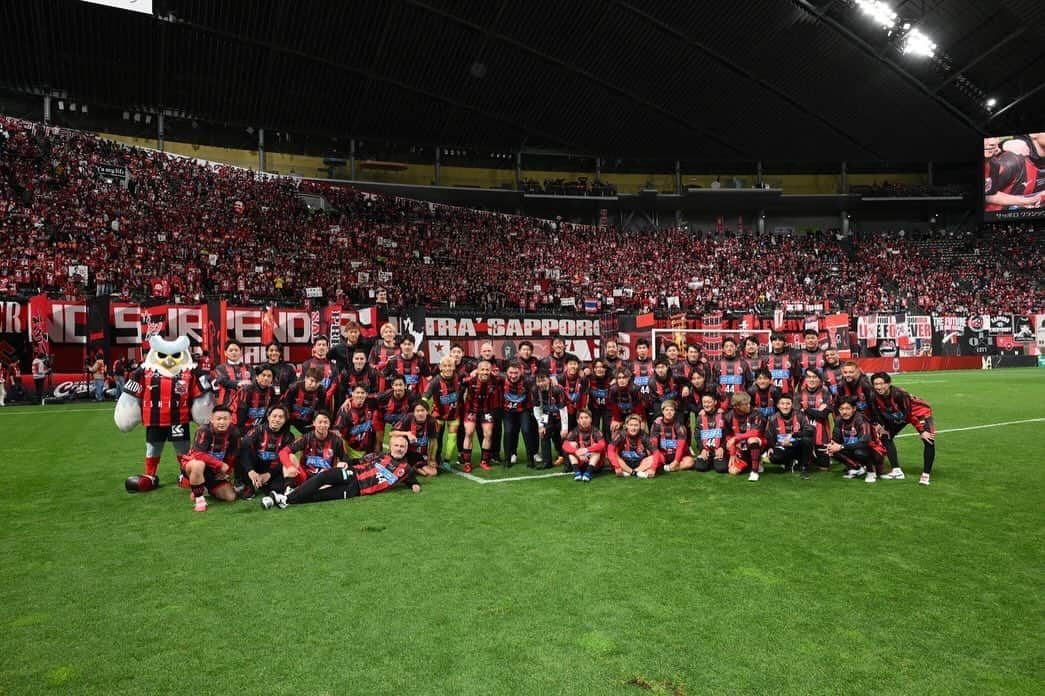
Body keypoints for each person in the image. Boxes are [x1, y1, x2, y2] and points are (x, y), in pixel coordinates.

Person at [263, 434, 420, 508]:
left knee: (320, 496)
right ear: (391, 446)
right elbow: (358, 460)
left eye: (402, 447)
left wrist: (414, 485)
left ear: (406, 450)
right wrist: (345, 463)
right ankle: (286, 499)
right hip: (352, 473)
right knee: (322, 477)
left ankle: (284, 499)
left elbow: (412, 480)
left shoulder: (406, 469)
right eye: (397, 446)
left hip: (357, 490)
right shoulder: (379, 456)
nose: (399, 449)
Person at [869, 372, 935, 485]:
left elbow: (909, 415)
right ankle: (896, 470)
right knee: (885, 436)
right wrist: (882, 427)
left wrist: (922, 431)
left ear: (888, 384)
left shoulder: (899, 394)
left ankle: (926, 474)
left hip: (919, 413)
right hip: (900, 415)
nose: (879, 387)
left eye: (881, 384)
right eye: (876, 384)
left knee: (928, 439)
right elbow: (877, 413)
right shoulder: (873, 395)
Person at [177, 405, 240, 511]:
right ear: (212, 419)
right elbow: (198, 454)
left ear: (230, 420)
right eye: (218, 419)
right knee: (199, 464)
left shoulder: (234, 432)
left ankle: (202, 487)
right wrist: (221, 465)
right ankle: (199, 498)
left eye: (225, 419)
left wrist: (226, 471)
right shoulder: (204, 429)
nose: (222, 422)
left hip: (214, 471)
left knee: (230, 497)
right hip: (193, 464)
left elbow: (232, 455)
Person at [272, 410, 350, 494]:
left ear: (329, 424)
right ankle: (288, 489)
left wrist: (344, 464)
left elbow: (346, 460)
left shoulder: (337, 441)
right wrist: (290, 466)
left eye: (325, 422)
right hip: (305, 478)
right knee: (290, 457)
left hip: (325, 479)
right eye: (320, 422)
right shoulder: (306, 438)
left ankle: (307, 490)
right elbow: (283, 452)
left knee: (340, 466)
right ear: (314, 423)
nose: (323, 425)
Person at [237, 404, 295, 500]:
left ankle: (264, 484)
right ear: (268, 417)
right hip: (255, 465)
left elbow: (284, 460)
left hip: (273, 468)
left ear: (285, 420)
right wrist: (250, 471)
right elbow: (243, 448)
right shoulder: (257, 430)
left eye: (281, 417)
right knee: (243, 448)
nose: (276, 420)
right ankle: (248, 484)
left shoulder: (289, 437)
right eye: (274, 416)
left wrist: (269, 474)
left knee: (277, 489)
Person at [827, 397, 886, 483]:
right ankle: (857, 468)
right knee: (832, 450)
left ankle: (871, 471)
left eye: (848, 409)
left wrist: (841, 447)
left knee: (860, 452)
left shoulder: (861, 419)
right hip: (854, 448)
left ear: (854, 409)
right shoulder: (839, 420)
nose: (844, 412)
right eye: (841, 409)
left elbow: (865, 442)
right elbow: (836, 438)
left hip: (874, 451)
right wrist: (832, 445)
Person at [460, 359, 502, 471]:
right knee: (469, 433)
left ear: (491, 371)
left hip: (487, 411)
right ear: (477, 370)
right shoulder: (470, 380)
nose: (484, 372)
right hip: (471, 410)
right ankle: (467, 463)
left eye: (487, 370)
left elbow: (507, 378)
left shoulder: (496, 380)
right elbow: (458, 381)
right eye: (482, 370)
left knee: (488, 434)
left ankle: (484, 461)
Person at [424, 355, 464, 468]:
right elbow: (425, 396)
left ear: (454, 367)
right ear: (440, 367)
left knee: (452, 437)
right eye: (445, 366)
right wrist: (423, 409)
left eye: (450, 366)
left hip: (454, 414)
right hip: (438, 414)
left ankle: (446, 461)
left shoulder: (459, 377)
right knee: (436, 437)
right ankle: (434, 459)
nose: (447, 368)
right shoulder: (435, 381)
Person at [763, 394, 814, 479]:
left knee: (807, 440)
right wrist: (770, 447)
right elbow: (769, 435)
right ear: (778, 405)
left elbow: (809, 431)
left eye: (788, 403)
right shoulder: (772, 419)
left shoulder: (800, 416)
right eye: (782, 404)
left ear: (792, 404)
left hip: (798, 446)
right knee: (774, 457)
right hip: (783, 447)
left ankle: (804, 468)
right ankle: (789, 462)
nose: (785, 406)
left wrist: (793, 435)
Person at [501, 360, 537, 468]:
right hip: (507, 411)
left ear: (520, 372)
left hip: (523, 411)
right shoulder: (501, 379)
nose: (513, 376)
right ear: (506, 372)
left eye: (516, 373)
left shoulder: (528, 381)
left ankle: (530, 460)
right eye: (510, 373)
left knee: (526, 431)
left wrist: (553, 379)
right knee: (508, 432)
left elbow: (542, 379)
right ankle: (507, 459)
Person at [531, 369, 569, 470]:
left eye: (543, 380)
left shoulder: (557, 389)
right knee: (543, 434)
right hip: (546, 415)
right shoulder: (535, 390)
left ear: (549, 380)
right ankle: (547, 462)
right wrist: (541, 425)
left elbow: (563, 409)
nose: (540, 383)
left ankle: (568, 462)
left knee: (563, 437)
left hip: (560, 415)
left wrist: (564, 428)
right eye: (538, 381)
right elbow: (537, 408)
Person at [723, 392, 766, 482]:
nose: (749, 406)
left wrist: (736, 438)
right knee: (732, 471)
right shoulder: (727, 416)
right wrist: (732, 453)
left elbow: (756, 432)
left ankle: (754, 472)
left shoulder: (756, 413)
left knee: (752, 440)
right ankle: (754, 461)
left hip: (758, 443)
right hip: (741, 448)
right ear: (736, 406)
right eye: (745, 404)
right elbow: (728, 437)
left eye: (749, 403)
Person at [392, 400, 439, 477]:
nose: (420, 413)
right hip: (405, 451)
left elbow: (433, 442)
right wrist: (407, 433)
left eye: (422, 410)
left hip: (419, 455)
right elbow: (392, 433)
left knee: (433, 472)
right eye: (417, 411)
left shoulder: (432, 422)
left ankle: (410, 467)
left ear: (427, 412)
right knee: (395, 438)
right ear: (414, 412)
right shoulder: (408, 418)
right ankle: (395, 458)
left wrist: (431, 459)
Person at [333, 385, 382, 459]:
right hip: (352, 451)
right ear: (352, 393)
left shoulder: (372, 404)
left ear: (366, 394)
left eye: (362, 393)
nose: (360, 395)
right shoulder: (345, 410)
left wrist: (377, 445)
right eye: (357, 392)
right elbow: (339, 435)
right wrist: (345, 455)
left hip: (369, 449)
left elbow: (377, 426)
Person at [561, 409, 607, 482]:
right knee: (572, 445)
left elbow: (602, 444)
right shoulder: (574, 431)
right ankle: (577, 472)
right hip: (580, 460)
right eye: (581, 418)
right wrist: (576, 452)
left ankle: (588, 473)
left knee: (597, 447)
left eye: (586, 417)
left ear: (591, 419)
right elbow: (565, 445)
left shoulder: (596, 431)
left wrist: (587, 450)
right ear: (578, 420)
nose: (584, 420)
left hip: (594, 462)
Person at [651, 400, 694, 473]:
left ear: (675, 412)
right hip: (663, 454)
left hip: (678, 455)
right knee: (651, 459)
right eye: (666, 410)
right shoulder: (656, 424)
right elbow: (653, 444)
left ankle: (668, 468)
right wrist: (658, 457)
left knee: (690, 461)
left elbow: (681, 447)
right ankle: (669, 467)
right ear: (662, 411)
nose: (669, 412)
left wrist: (676, 461)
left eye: (671, 410)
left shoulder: (680, 426)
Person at [282, 366, 327, 434]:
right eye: (311, 380)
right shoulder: (293, 388)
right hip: (291, 420)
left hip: (309, 422)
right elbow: (285, 406)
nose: (313, 384)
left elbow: (320, 409)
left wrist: (316, 422)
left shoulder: (322, 391)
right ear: (306, 378)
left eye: (317, 382)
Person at [712, 337, 752, 409]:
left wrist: (744, 398)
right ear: (723, 349)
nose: (729, 348)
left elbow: (749, 383)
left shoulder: (743, 364)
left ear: (736, 348)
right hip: (722, 403)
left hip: (740, 403)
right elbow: (714, 383)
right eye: (726, 346)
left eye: (731, 346)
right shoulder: (717, 364)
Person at [212, 340, 253, 409]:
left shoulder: (248, 367)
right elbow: (223, 381)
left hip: (245, 405)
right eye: (231, 350)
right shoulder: (220, 368)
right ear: (225, 353)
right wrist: (239, 383)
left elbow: (254, 381)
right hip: (226, 404)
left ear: (240, 352)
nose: (234, 352)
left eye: (236, 350)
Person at [693, 393, 728, 474]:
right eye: (704, 402)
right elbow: (697, 436)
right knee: (700, 467)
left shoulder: (722, 416)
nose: (706, 404)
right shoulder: (699, 418)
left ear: (715, 402)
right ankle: (709, 460)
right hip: (706, 449)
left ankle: (715, 461)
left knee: (722, 469)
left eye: (709, 402)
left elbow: (727, 434)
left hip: (718, 449)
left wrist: (722, 448)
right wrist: (702, 449)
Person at [236, 365, 278, 430]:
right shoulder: (246, 390)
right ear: (256, 377)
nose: (266, 378)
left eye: (269, 376)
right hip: (244, 428)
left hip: (262, 428)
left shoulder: (272, 391)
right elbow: (239, 415)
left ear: (272, 379)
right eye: (263, 375)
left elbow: (272, 412)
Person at [607, 369, 646, 435]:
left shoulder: (635, 389)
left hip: (634, 414)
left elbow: (639, 408)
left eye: (624, 378)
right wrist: (617, 421)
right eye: (619, 378)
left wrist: (641, 420)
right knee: (614, 428)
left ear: (628, 378)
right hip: (620, 415)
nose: (621, 380)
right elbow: (614, 407)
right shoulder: (613, 390)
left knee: (639, 429)